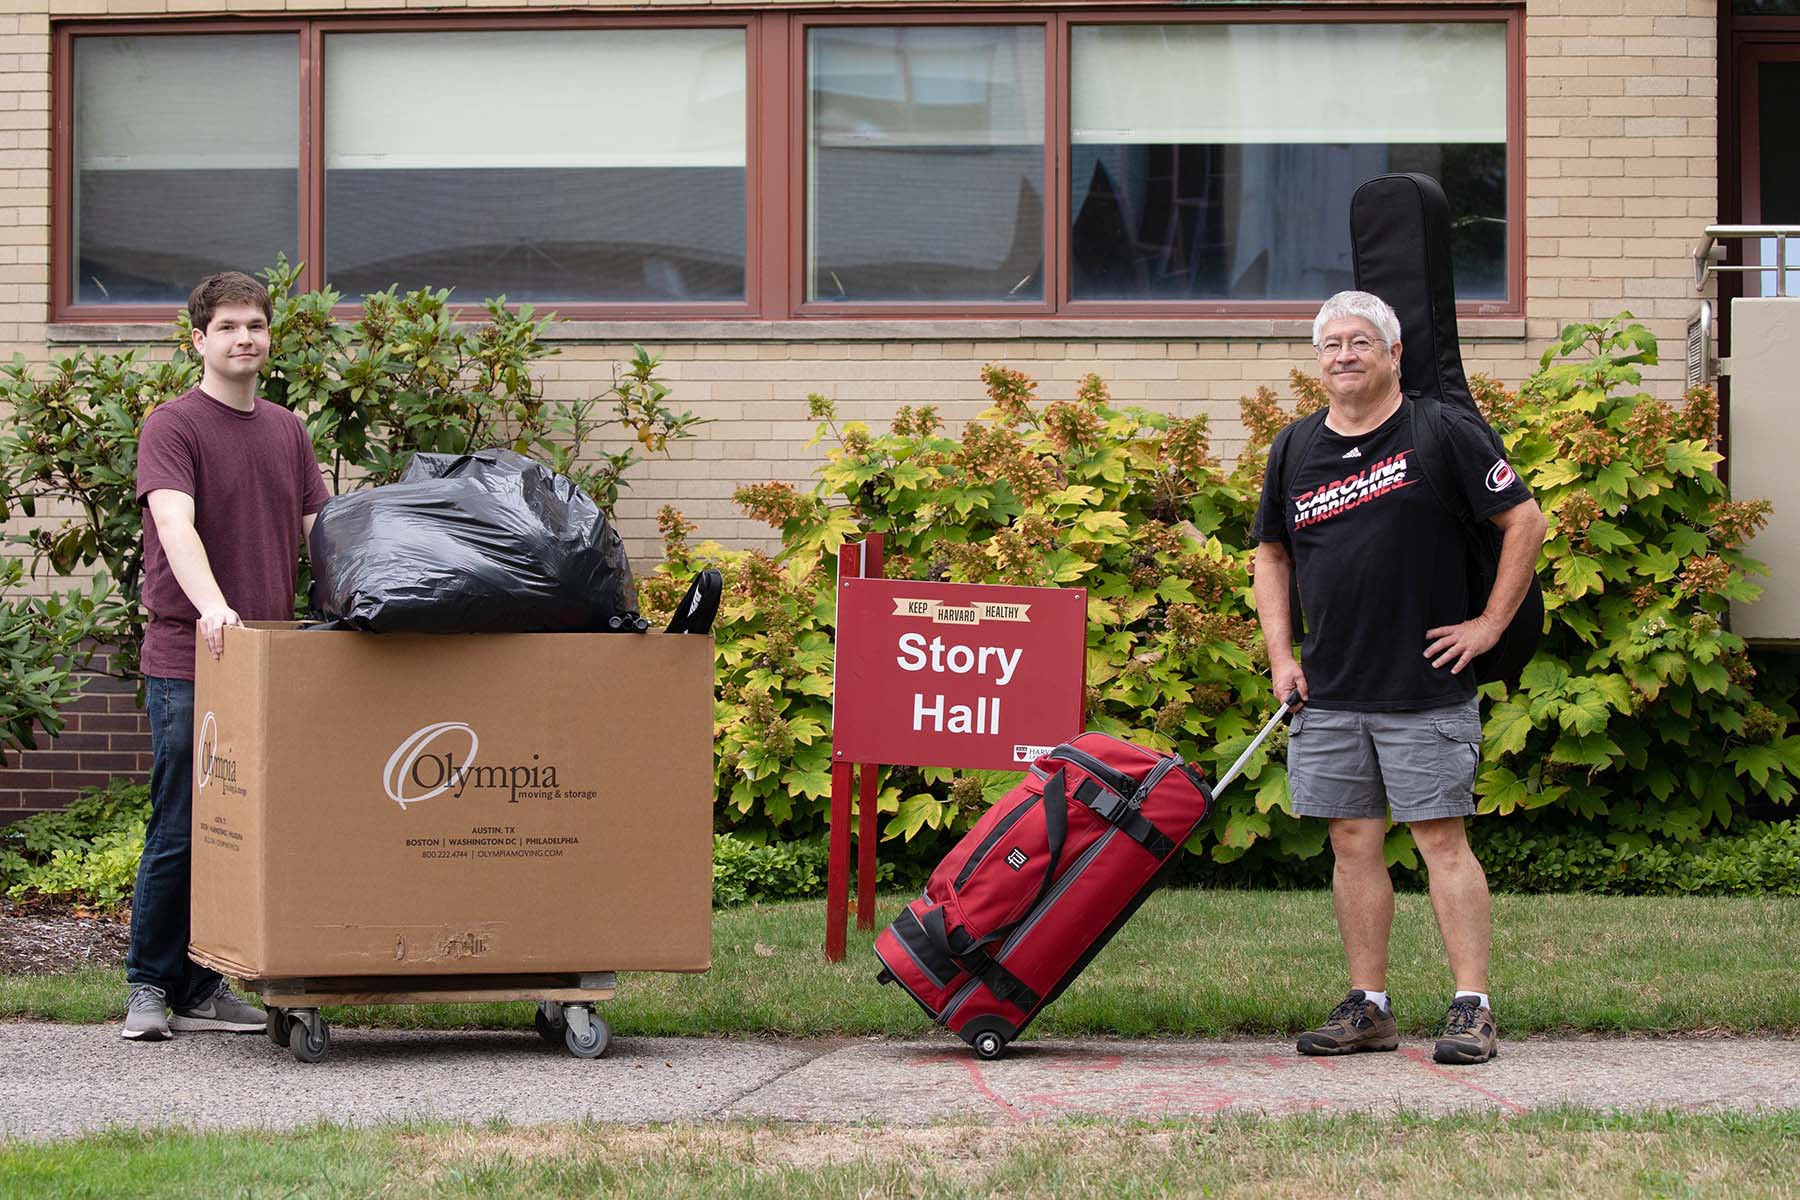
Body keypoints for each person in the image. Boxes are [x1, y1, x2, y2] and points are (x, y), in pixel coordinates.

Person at [1251, 290, 1546, 1066]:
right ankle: (1370, 1006)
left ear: (1393, 354)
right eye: (1330, 345)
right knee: (1353, 842)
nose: (1343, 355)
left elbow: (1526, 518)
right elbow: (1272, 555)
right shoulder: (1295, 447)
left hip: (1424, 685)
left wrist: (1489, 625)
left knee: (1441, 840)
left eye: (1359, 342)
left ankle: (1471, 1006)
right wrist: (1283, 658)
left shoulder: (1441, 430)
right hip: (1332, 685)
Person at [122, 272, 331, 1041]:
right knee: (182, 822)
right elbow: (175, 523)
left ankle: (205, 984)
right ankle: (149, 984)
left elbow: (322, 529)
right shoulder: (172, 426)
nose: (246, 337)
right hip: (191, 655)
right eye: (230, 326)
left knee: (244, 826)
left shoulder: (287, 430)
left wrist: (361, 603)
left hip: (266, 659)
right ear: (199, 340)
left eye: (257, 325)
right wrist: (214, 607)